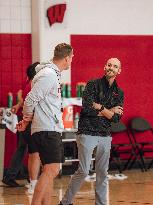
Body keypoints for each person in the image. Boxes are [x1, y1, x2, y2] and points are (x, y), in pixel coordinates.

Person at [59, 58, 124, 205]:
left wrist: (99, 107)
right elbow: (87, 109)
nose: (111, 68)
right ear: (104, 67)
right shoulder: (92, 85)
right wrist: (108, 110)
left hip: (105, 135)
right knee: (83, 170)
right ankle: (65, 202)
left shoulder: (119, 93)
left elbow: (116, 118)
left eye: (115, 66)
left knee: (102, 173)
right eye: (109, 65)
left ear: (119, 71)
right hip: (87, 132)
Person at [17, 43, 74, 205]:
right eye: (72, 58)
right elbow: (29, 99)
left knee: (48, 170)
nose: (71, 61)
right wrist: (27, 119)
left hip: (48, 128)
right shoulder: (48, 74)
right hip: (47, 129)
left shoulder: (50, 73)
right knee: (52, 169)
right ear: (66, 58)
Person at [2, 62, 40, 191]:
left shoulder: (28, 83)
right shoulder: (33, 84)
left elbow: (21, 98)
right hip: (27, 120)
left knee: (23, 148)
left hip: (24, 118)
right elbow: (26, 100)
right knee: (33, 152)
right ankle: (31, 181)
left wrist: (18, 104)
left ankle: (15, 176)